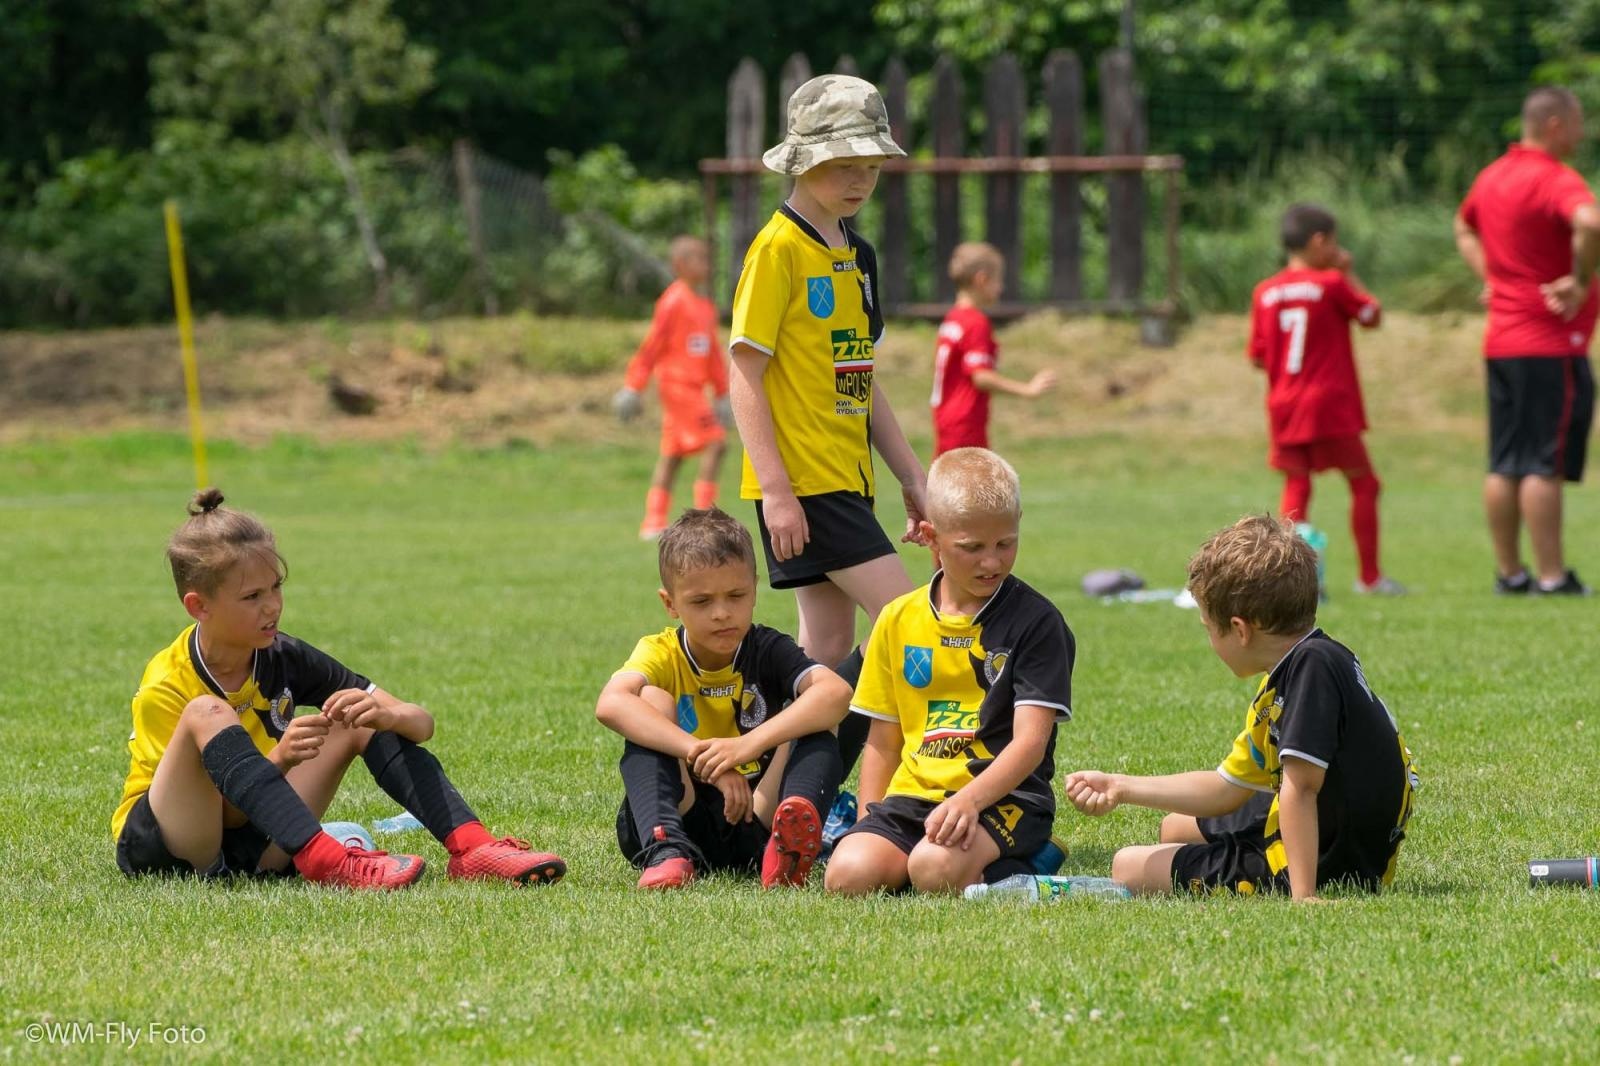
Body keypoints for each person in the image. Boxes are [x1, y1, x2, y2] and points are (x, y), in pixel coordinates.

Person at [114, 489, 566, 890]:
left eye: (276, 587)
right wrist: (282, 759)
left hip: (253, 848)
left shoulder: (282, 653)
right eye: (252, 597)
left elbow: (420, 724)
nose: (272, 606)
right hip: (173, 850)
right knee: (206, 712)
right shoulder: (166, 683)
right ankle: (329, 860)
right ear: (199, 605)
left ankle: (474, 849)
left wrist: (387, 716)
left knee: (359, 716)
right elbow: (220, 818)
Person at [729, 73, 926, 780]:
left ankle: (775, 801)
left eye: (870, 165)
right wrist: (775, 491)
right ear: (800, 160)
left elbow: (861, 380)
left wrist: (912, 476)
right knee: (912, 623)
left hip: (849, 479)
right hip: (806, 486)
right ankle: (884, 786)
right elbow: (743, 374)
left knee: (822, 661)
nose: (858, 179)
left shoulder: (859, 257)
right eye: (842, 164)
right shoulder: (776, 251)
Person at [1065, 515, 1419, 901]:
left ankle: (1290, 882)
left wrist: (1304, 896)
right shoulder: (1310, 661)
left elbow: (1300, 789)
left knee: (1127, 867)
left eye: (1207, 628)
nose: (1210, 642)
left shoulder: (1310, 673)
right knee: (1174, 827)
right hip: (1325, 831)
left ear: (1240, 629)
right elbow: (1225, 789)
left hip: (1330, 862)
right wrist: (1120, 786)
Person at [823, 448, 1073, 895]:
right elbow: (883, 739)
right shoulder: (898, 619)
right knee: (848, 876)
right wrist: (868, 823)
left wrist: (967, 801)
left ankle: (1032, 858)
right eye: (972, 548)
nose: (992, 562)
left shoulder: (1037, 622)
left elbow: (1031, 743)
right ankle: (945, 863)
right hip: (913, 795)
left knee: (933, 871)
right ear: (931, 537)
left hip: (1003, 798)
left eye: (1005, 543)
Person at [595, 507, 852, 889]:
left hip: (755, 818)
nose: (722, 613)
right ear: (670, 604)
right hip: (681, 816)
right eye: (701, 602)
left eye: (736, 595)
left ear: (754, 589)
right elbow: (610, 703)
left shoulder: (768, 647)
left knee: (816, 712)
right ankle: (665, 852)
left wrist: (746, 746)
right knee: (649, 701)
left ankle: (787, 849)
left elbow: (837, 692)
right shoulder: (662, 651)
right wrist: (706, 757)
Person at [1455, 85, 1600, 595]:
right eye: (1579, 122)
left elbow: (1463, 227)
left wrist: (1491, 279)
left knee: (1504, 462)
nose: (1583, 132)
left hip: (1502, 343)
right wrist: (1582, 281)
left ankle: (1510, 573)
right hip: (1549, 344)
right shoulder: (1555, 179)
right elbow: (1590, 219)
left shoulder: (1492, 176)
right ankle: (1553, 577)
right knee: (1543, 463)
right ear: (1556, 125)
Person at [1247, 203, 1402, 596]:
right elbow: (1371, 315)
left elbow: (1258, 356)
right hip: (1328, 403)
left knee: (1298, 485)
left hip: (1284, 404)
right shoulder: (1331, 284)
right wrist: (1348, 272)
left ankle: (1286, 581)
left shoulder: (1265, 292)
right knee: (1364, 484)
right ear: (1320, 242)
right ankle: (1370, 578)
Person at [614, 236, 731, 539]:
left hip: (694, 389)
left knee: (673, 455)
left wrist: (721, 391)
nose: (707, 264)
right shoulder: (672, 301)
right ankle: (705, 519)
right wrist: (633, 386)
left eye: (707, 258)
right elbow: (652, 346)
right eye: (699, 258)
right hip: (678, 388)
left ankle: (653, 520)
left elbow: (713, 355)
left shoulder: (706, 307)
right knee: (717, 443)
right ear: (680, 265)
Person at [931, 241, 1057, 457]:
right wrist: (1027, 389)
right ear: (982, 279)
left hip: (946, 418)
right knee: (972, 488)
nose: (1001, 287)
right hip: (965, 421)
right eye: (999, 280)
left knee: (946, 485)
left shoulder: (953, 318)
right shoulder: (976, 322)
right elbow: (980, 376)